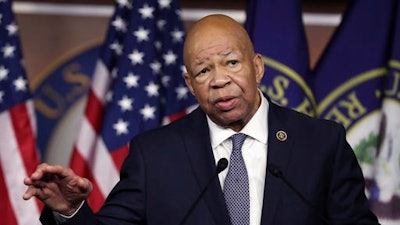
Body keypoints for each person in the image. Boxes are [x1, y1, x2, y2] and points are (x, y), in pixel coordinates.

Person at [23, 14, 379, 225]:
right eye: (203, 70)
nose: (219, 79)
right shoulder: (155, 155)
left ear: (257, 67)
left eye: (231, 62)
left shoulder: (320, 143)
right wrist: (70, 210)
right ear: (190, 85)